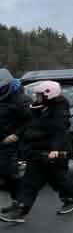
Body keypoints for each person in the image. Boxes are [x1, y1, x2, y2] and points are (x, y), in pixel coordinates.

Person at [1, 80, 73, 224]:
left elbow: (59, 131)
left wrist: (55, 149)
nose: (36, 97)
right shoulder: (39, 108)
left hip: (52, 153)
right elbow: (29, 124)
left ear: (48, 95)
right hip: (37, 152)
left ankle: (71, 197)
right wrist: (17, 135)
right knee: (32, 182)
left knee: (55, 180)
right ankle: (20, 209)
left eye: (39, 95)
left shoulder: (59, 111)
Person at [0, 69, 30, 203]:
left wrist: (17, 134)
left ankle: (20, 201)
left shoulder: (21, 101)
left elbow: (31, 121)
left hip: (11, 142)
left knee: (8, 173)